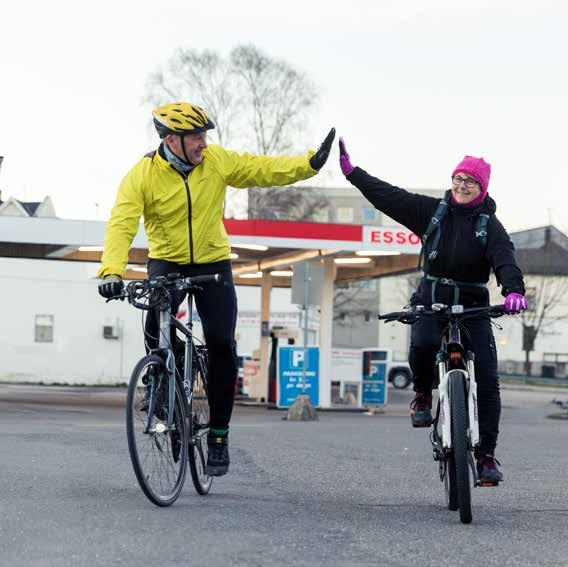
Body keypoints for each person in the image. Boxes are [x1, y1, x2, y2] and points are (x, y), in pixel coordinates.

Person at [98, 101, 335, 476]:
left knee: (222, 343)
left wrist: (309, 164)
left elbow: (261, 168)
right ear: (172, 139)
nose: (204, 143)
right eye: (196, 137)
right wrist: (111, 270)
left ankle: (219, 435)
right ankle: (162, 378)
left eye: (205, 135)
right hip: (168, 260)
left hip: (212, 262)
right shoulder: (142, 174)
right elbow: (121, 223)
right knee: (154, 321)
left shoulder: (216, 162)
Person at [338, 138, 527, 484]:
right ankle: (422, 395)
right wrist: (354, 174)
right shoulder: (433, 213)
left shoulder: (490, 226)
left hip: (473, 307)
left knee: (487, 378)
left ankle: (486, 456)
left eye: (471, 181)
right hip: (433, 297)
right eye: (458, 178)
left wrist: (514, 291)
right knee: (423, 342)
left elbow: (505, 260)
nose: (462, 185)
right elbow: (390, 196)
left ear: (482, 189)